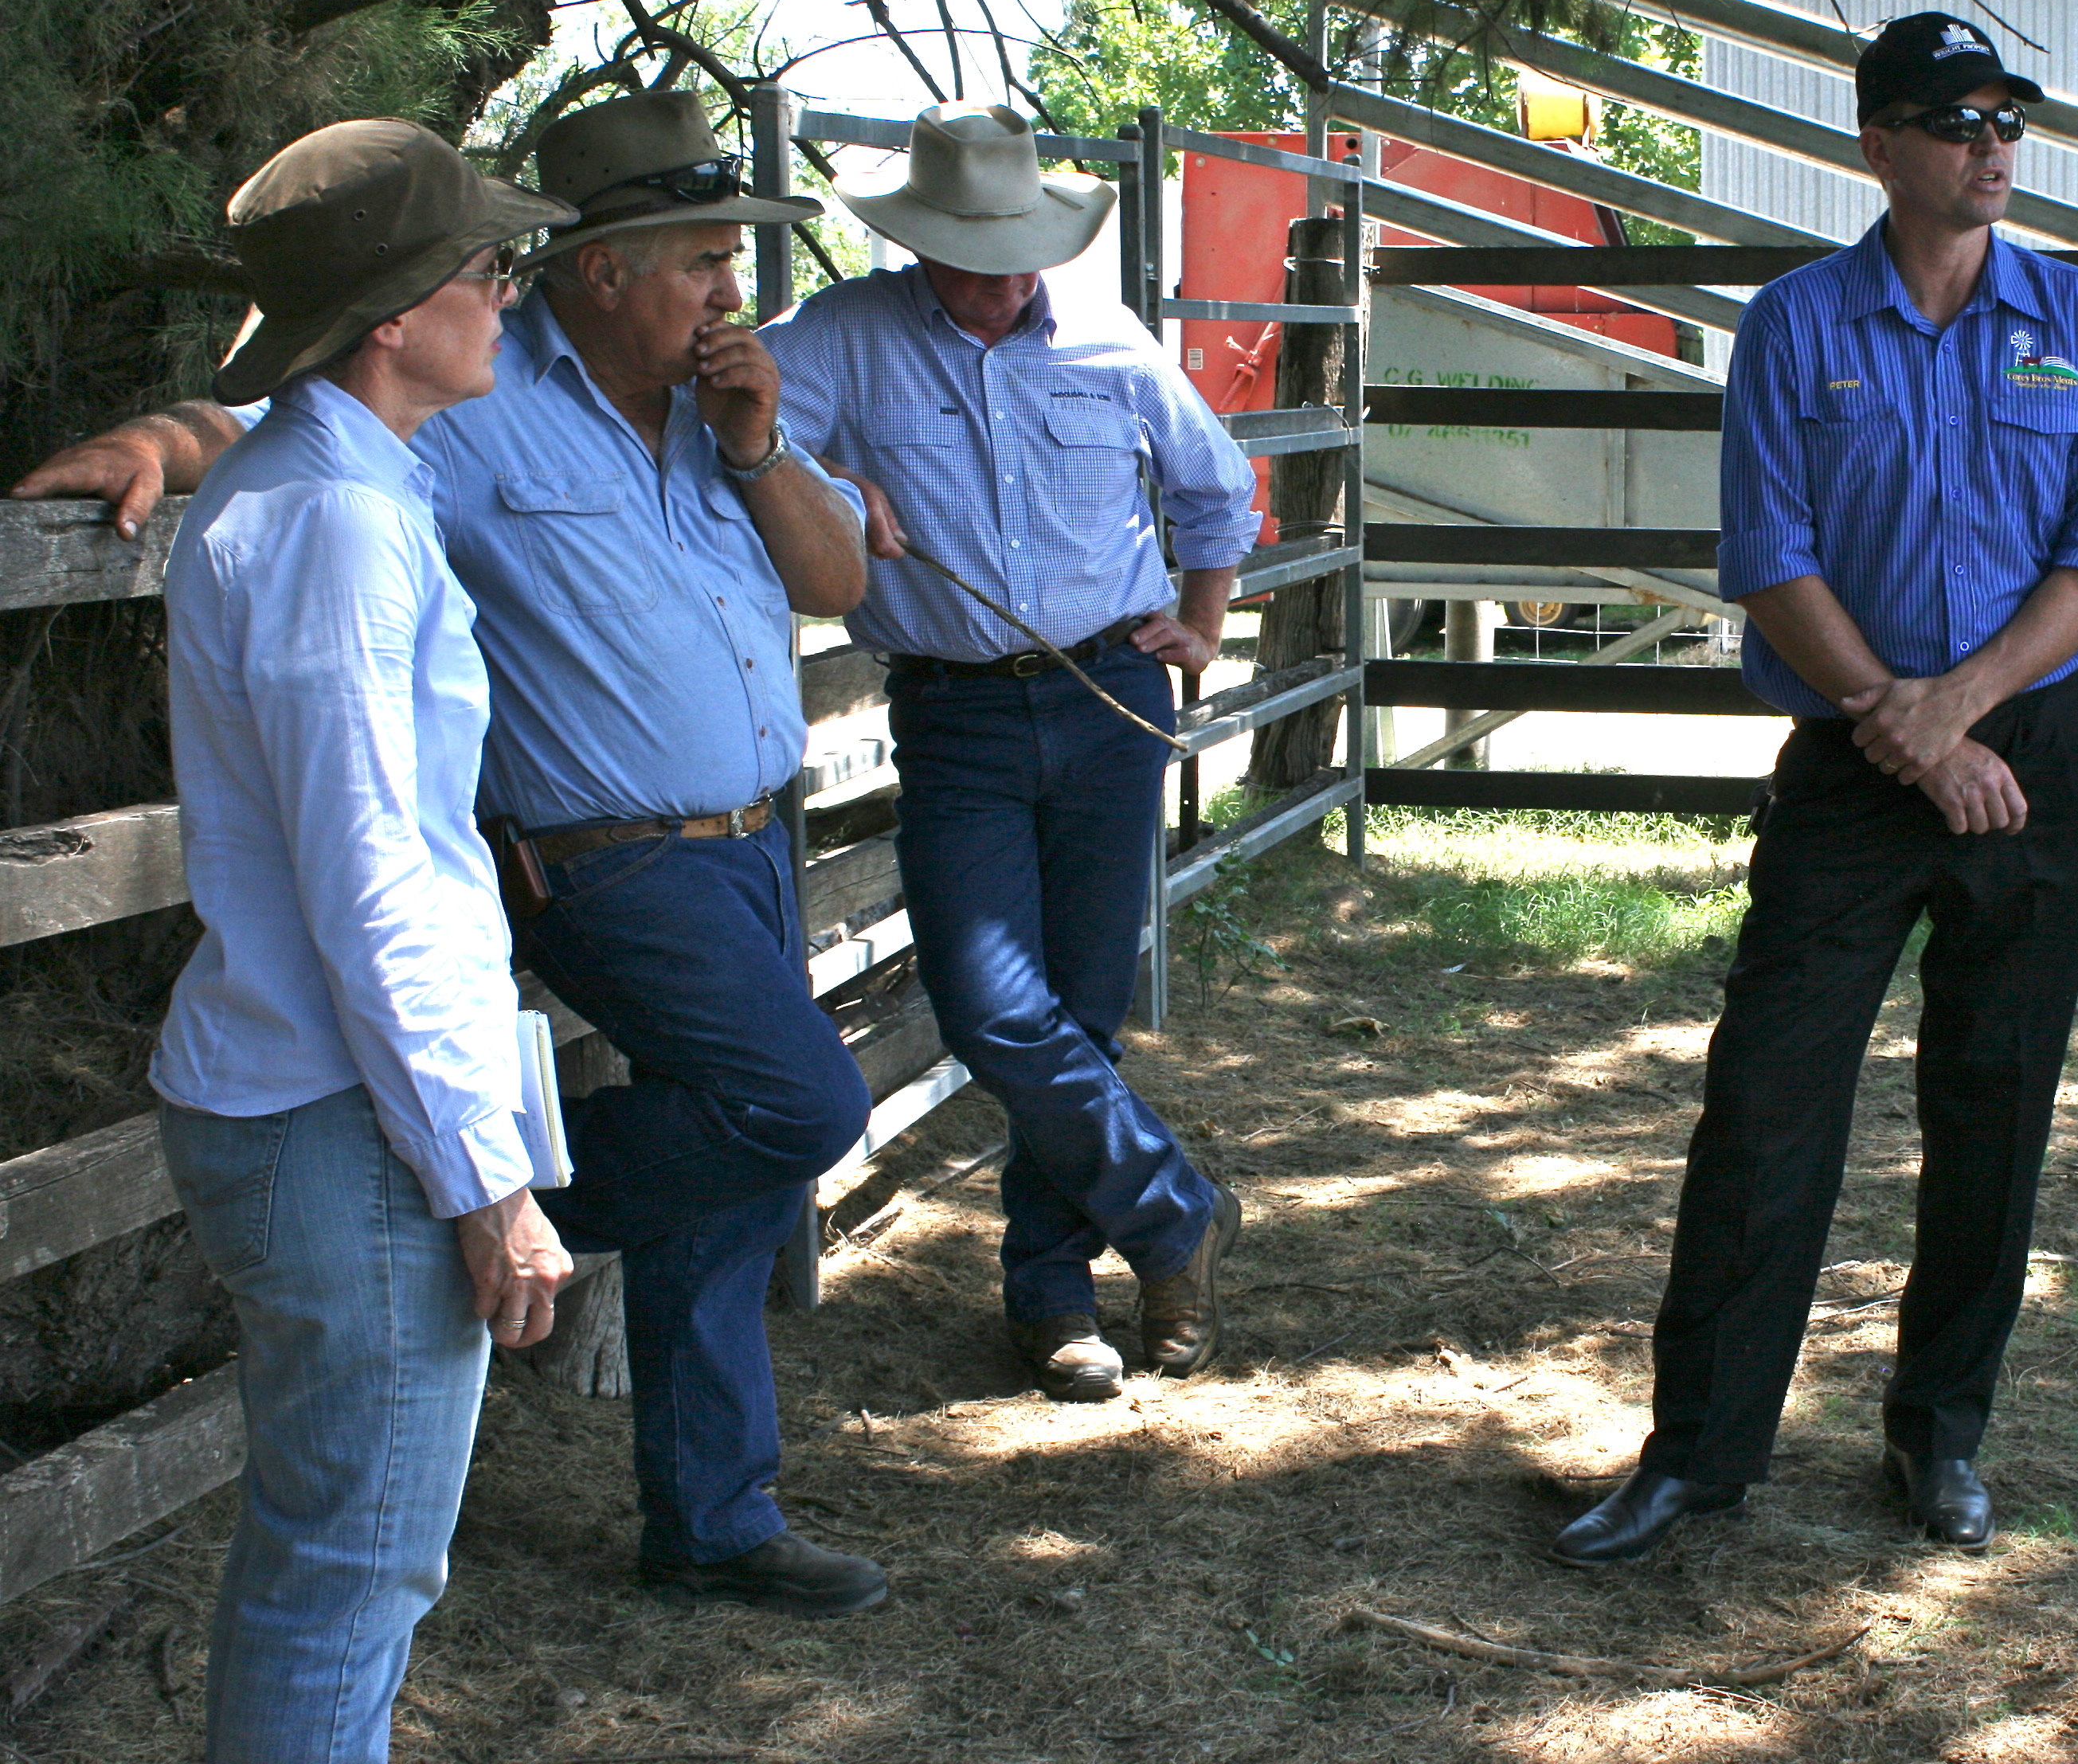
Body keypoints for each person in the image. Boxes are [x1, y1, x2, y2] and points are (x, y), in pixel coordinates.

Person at [18, 91, 889, 1617]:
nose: (731, 293)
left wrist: (759, 447)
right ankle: (487, 1219)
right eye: (701, 260)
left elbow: (835, 584)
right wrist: (166, 433)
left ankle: (711, 1512)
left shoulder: (728, 405)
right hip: (603, 855)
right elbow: (310, 426)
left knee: (737, 1171)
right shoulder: (483, 396)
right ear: (603, 270)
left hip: (755, 834)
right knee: (790, 1102)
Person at [1552, 13, 2078, 1566]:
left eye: (2008, 119)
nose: (1991, 147)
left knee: (1993, 1107)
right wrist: (1905, 729)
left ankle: (1939, 1440)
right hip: (1851, 761)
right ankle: (1698, 1455)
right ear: (1876, 143)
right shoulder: (1798, 326)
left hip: (2028, 754)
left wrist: (1961, 711)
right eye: (1957, 122)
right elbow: (1770, 557)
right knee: (1766, 1106)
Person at [149, 119, 576, 1758]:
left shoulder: (313, 475)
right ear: (396, 315)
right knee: (354, 1569)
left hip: (313, 1094)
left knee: (328, 1553)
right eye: (491, 270)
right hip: (343, 1114)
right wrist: (486, 1179)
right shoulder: (335, 520)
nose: (511, 297)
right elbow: (376, 879)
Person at [761, 100, 1257, 1403]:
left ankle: (1054, 1301)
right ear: (919, 242)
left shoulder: (1108, 337)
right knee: (990, 1006)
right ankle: (1175, 1212)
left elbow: (1214, 489)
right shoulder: (846, 338)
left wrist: (1199, 626)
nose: (999, 275)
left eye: (1016, 245)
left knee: (1079, 1010)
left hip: (1109, 696)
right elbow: (735, 417)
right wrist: (822, 485)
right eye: (971, 249)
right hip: (958, 708)